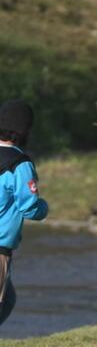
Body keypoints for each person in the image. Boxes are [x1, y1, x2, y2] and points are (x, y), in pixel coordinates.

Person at [0, 100, 48, 328]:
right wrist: (44, 207)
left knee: (8, 299)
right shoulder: (19, 164)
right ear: (25, 131)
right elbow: (29, 207)